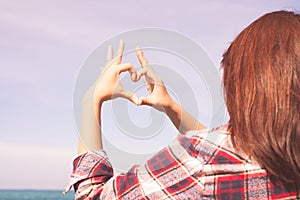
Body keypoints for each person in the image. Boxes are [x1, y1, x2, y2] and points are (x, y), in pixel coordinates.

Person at [64, 11, 300, 199]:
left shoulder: (202, 163)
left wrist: (91, 99)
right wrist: (172, 108)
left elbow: (92, 195)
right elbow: (223, 150)